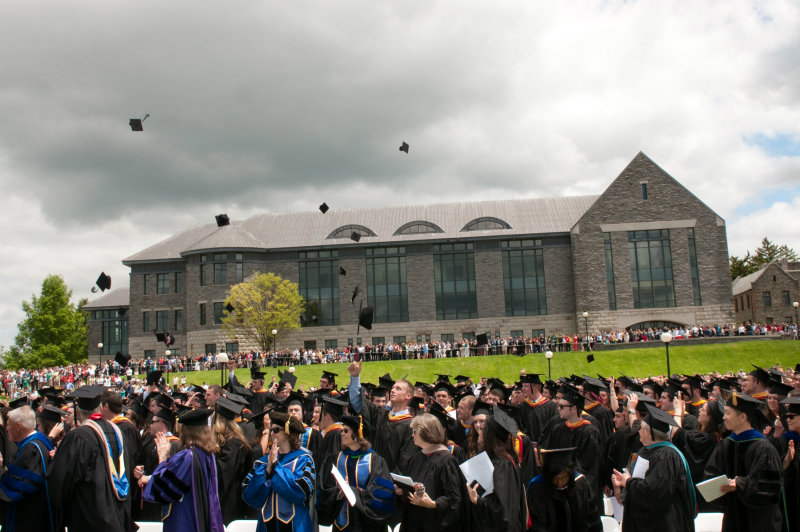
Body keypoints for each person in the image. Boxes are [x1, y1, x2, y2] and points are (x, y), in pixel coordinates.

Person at [49, 385, 136, 532]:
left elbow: (61, 480)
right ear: (100, 408)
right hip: (119, 514)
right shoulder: (117, 431)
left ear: (77, 411)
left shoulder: (79, 436)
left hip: (89, 518)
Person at [704, 392, 783, 532]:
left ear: (742, 416)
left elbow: (769, 490)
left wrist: (739, 484)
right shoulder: (726, 444)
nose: (724, 417)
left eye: (728, 413)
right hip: (733, 516)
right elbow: (711, 474)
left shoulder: (763, 448)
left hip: (757, 521)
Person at [612, 403, 696, 532]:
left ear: (650, 433)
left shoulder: (666, 455)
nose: (638, 430)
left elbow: (655, 491)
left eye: (641, 428)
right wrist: (622, 484)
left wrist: (629, 482)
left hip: (664, 523)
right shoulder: (644, 451)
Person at [142, 408, 224, 532]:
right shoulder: (208, 455)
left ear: (186, 431)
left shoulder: (187, 458)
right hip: (203, 515)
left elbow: (163, 491)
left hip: (186, 519)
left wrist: (163, 458)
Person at [242, 410, 315, 532]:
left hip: (295, 525)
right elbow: (249, 496)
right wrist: (268, 471)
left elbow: (300, 493)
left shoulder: (303, 460)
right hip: (266, 526)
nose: (272, 433)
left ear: (288, 433)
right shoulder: (263, 463)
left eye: (276, 430)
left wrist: (277, 467)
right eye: (271, 430)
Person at [320, 415, 395, 532]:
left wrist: (355, 492)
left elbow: (383, 494)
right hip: (341, 522)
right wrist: (338, 492)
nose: (342, 434)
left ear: (358, 434)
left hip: (365, 524)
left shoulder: (375, 461)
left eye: (346, 431)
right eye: (341, 431)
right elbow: (324, 489)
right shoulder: (335, 459)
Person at [398, 413, 465, 532]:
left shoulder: (446, 461)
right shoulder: (417, 457)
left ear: (425, 433)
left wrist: (433, 504)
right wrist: (401, 490)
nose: (412, 435)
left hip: (433, 524)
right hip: (413, 522)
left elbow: (455, 498)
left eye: (414, 432)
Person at [465, 407, 527, 532]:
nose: (480, 433)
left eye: (484, 430)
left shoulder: (500, 465)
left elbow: (502, 510)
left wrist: (477, 500)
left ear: (490, 436)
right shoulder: (507, 459)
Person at [348, 361, 417, 474]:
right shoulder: (381, 414)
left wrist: (396, 481)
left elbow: (406, 459)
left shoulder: (411, 425)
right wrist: (355, 377)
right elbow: (359, 403)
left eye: (398, 389)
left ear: (408, 396)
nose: (393, 390)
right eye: (393, 388)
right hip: (371, 474)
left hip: (392, 482)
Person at [0, 405, 56, 532]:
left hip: (30, 518)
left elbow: (16, 486)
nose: (6, 429)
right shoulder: (40, 441)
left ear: (18, 426)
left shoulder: (32, 449)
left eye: (8, 425)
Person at [527, 447, 602, 532]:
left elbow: (592, 518)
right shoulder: (538, 487)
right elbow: (537, 524)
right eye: (555, 479)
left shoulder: (579, 484)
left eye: (563, 478)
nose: (559, 483)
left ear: (570, 475)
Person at [213, 396, 253, 525]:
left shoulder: (234, 443)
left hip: (229, 501)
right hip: (226, 499)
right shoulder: (229, 441)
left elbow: (224, 473)